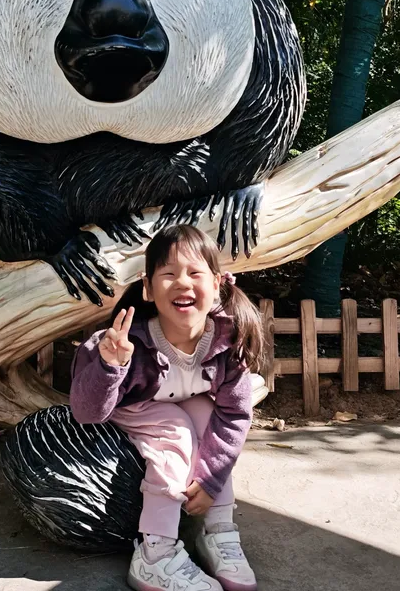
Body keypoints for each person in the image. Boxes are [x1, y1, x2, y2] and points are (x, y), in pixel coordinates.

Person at [70, 224, 264, 591]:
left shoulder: (228, 341)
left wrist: (210, 480)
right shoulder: (124, 342)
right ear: (148, 287)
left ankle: (218, 529)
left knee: (210, 418)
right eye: (168, 274)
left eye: (194, 273)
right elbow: (86, 413)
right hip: (133, 408)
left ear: (219, 284)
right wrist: (111, 366)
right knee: (174, 431)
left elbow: (235, 414)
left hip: (182, 399)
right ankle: (154, 553)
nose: (182, 283)